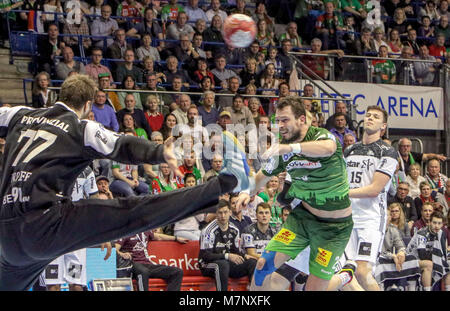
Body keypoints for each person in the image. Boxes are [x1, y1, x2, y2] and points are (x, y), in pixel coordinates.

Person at [236, 96, 353, 291]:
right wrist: (245, 193)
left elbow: (328, 148)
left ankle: (344, 276)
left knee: (313, 289)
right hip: (302, 220)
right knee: (262, 266)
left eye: (285, 120)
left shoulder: (321, 136)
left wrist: (290, 148)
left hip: (334, 229)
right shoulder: (283, 150)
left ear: (301, 119)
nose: (280, 125)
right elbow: (259, 178)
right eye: (278, 120)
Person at [341, 105, 398, 291]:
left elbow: (375, 189)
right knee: (345, 271)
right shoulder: (349, 150)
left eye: (375, 116)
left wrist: (343, 192)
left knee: (362, 272)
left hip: (370, 218)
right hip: (347, 217)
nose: (370, 118)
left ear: (383, 126)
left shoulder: (387, 151)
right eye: (367, 115)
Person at [40, 166, 99, 291]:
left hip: (75, 235)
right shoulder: (49, 165)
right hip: (52, 232)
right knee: (52, 285)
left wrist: (103, 234)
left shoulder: (86, 170)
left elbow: (96, 202)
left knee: (76, 284)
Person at [198, 200, 257, 291]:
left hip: (227, 264)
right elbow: (205, 256)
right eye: (220, 213)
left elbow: (236, 252)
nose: (223, 216)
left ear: (230, 212)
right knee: (222, 264)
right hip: (207, 265)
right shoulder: (208, 231)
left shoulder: (235, 230)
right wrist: (227, 256)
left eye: (225, 212)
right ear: (216, 214)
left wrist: (244, 256)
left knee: (252, 262)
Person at [115, 229, 187, 291]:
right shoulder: (127, 232)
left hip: (147, 264)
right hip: (133, 264)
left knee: (177, 272)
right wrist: (122, 254)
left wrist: (176, 238)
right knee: (144, 271)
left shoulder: (145, 230)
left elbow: (159, 237)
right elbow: (114, 249)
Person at [406, 211, 450, 291]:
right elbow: (422, 255)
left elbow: (443, 252)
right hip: (411, 259)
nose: (436, 226)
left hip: (428, 258)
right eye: (434, 223)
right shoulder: (422, 233)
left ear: (442, 224)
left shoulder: (441, 233)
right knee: (428, 264)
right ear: (429, 222)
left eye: (439, 223)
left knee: (448, 265)